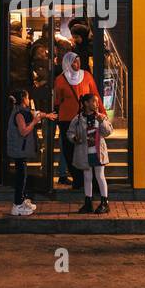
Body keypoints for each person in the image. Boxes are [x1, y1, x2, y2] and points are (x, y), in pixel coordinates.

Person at [52, 51, 104, 187]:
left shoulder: (86, 76)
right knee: (69, 149)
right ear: (67, 63)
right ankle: (77, 178)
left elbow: (95, 95)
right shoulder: (60, 79)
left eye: (78, 60)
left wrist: (102, 113)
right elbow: (57, 101)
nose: (77, 64)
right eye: (74, 61)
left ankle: (88, 180)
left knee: (86, 147)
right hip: (67, 119)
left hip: (85, 118)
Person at [6, 89, 54, 216]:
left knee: (23, 176)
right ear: (23, 99)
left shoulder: (24, 112)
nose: (29, 100)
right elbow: (23, 131)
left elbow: (36, 113)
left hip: (21, 150)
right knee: (21, 178)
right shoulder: (19, 114)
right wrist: (34, 122)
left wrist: (47, 115)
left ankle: (21, 200)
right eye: (27, 98)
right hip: (19, 150)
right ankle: (17, 205)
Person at [67, 93, 113, 214]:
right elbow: (70, 133)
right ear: (86, 103)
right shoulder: (78, 118)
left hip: (98, 152)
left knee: (100, 176)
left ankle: (105, 203)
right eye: (94, 101)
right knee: (87, 177)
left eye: (97, 102)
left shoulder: (101, 116)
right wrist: (74, 138)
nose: (97, 104)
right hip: (84, 152)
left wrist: (102, 121)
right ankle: (88, 203)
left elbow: (108, 132)